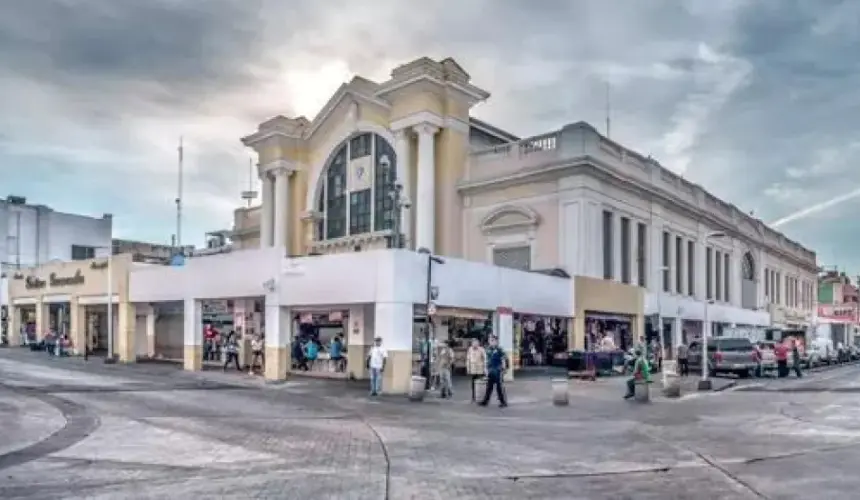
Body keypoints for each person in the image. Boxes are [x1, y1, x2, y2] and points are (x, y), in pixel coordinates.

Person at [479, 336, 508, 408]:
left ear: (496, 341)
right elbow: (486, 360)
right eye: (490, 341)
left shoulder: (499, 349)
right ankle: (485, 401)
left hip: (498, 370)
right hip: (490, 370)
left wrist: (503, 369)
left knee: (499, 387)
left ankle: (503, 402)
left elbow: (503, 359)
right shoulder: (488, 349)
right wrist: (485, 369)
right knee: (489, 387)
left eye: (493, 340)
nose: (491, 342)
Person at [466, 338, 487, 402]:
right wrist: (468, 368)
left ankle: (481, 396)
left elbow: (485, 359)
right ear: (472, 344)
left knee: (480, 383)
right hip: (473, 370)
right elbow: (468, 359)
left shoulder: (481, 349)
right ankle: (474, 397)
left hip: (480, 370)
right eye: (473, 343)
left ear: (478, 343)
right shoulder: (470, 349)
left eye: (476, 343)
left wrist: (485, 368)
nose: (475, 344)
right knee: (473, 384)